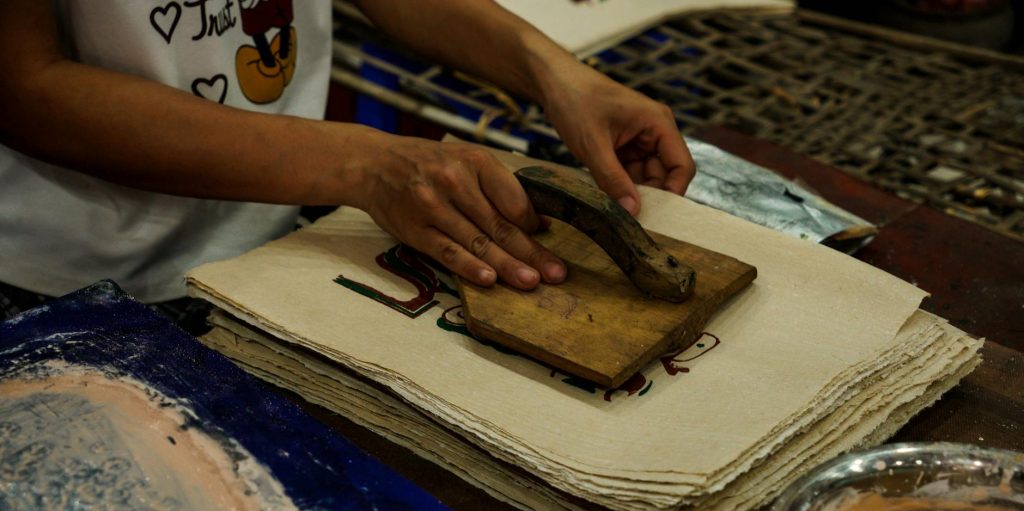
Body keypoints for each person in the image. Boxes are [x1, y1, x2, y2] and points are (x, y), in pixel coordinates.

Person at [0, 0, 694, 329]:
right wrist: (361, 164)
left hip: (273, 235)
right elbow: (22, 87)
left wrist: (550, 70)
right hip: (70, 275)